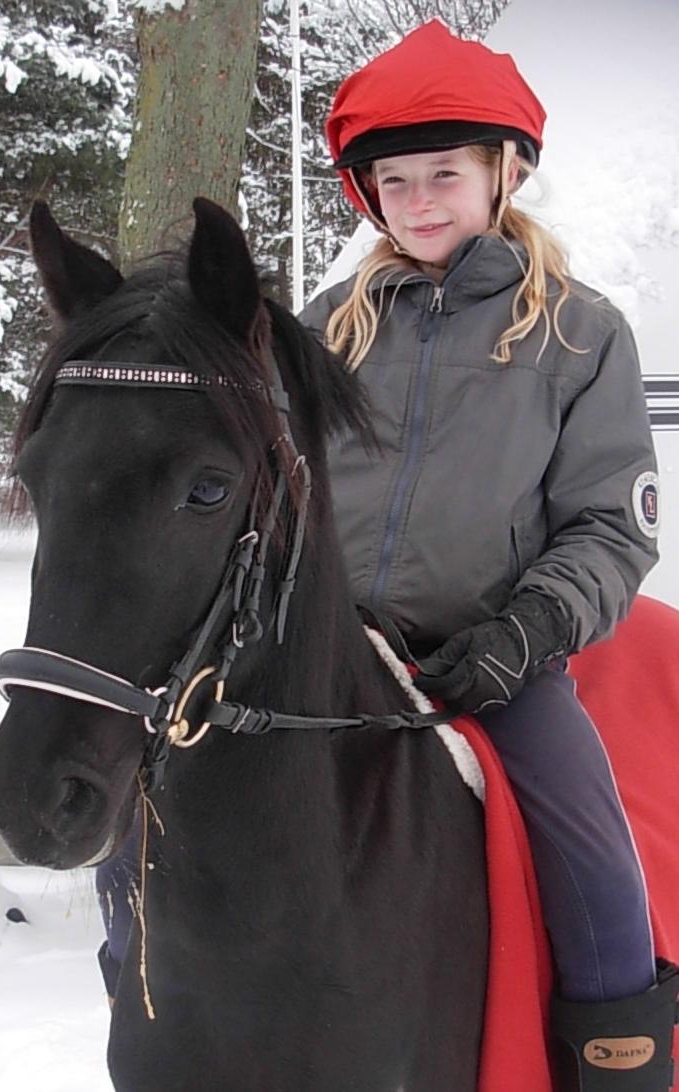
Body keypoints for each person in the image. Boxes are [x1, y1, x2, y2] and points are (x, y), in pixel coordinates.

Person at [299, 19, 678, 1092]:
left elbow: (612, 521)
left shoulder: (579, 331)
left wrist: (527, 634)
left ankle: (620, 1054)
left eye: (445, 175)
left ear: (503, 173)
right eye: (394, 180)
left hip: (496, 654)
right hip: (327, 649)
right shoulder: (329, 325)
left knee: (589, 837)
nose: (417, 201)